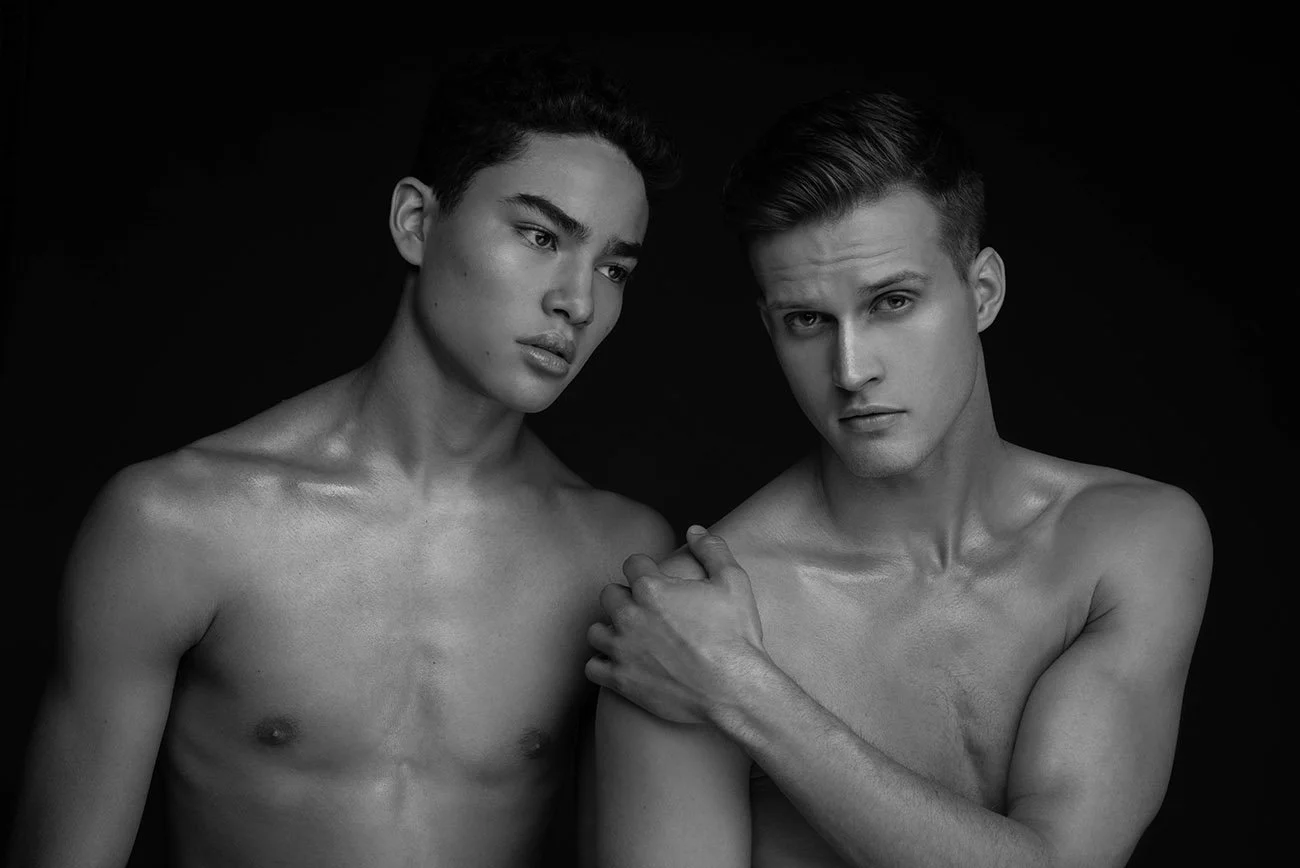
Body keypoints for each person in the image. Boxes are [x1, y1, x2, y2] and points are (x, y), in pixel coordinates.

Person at [6, 46, 678, 868]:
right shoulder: (178, 523)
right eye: (541, 236)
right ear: (416, 223)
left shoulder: (616, 557)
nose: (577, 301)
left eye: (613, 267)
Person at [588, 91, 1210, 867]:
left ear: (981, 293)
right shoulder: (685, 626)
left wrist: (745, 691)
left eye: (892, 302)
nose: (852, 371)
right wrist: (717, 671)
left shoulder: (1127, 539)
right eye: (807, 321)